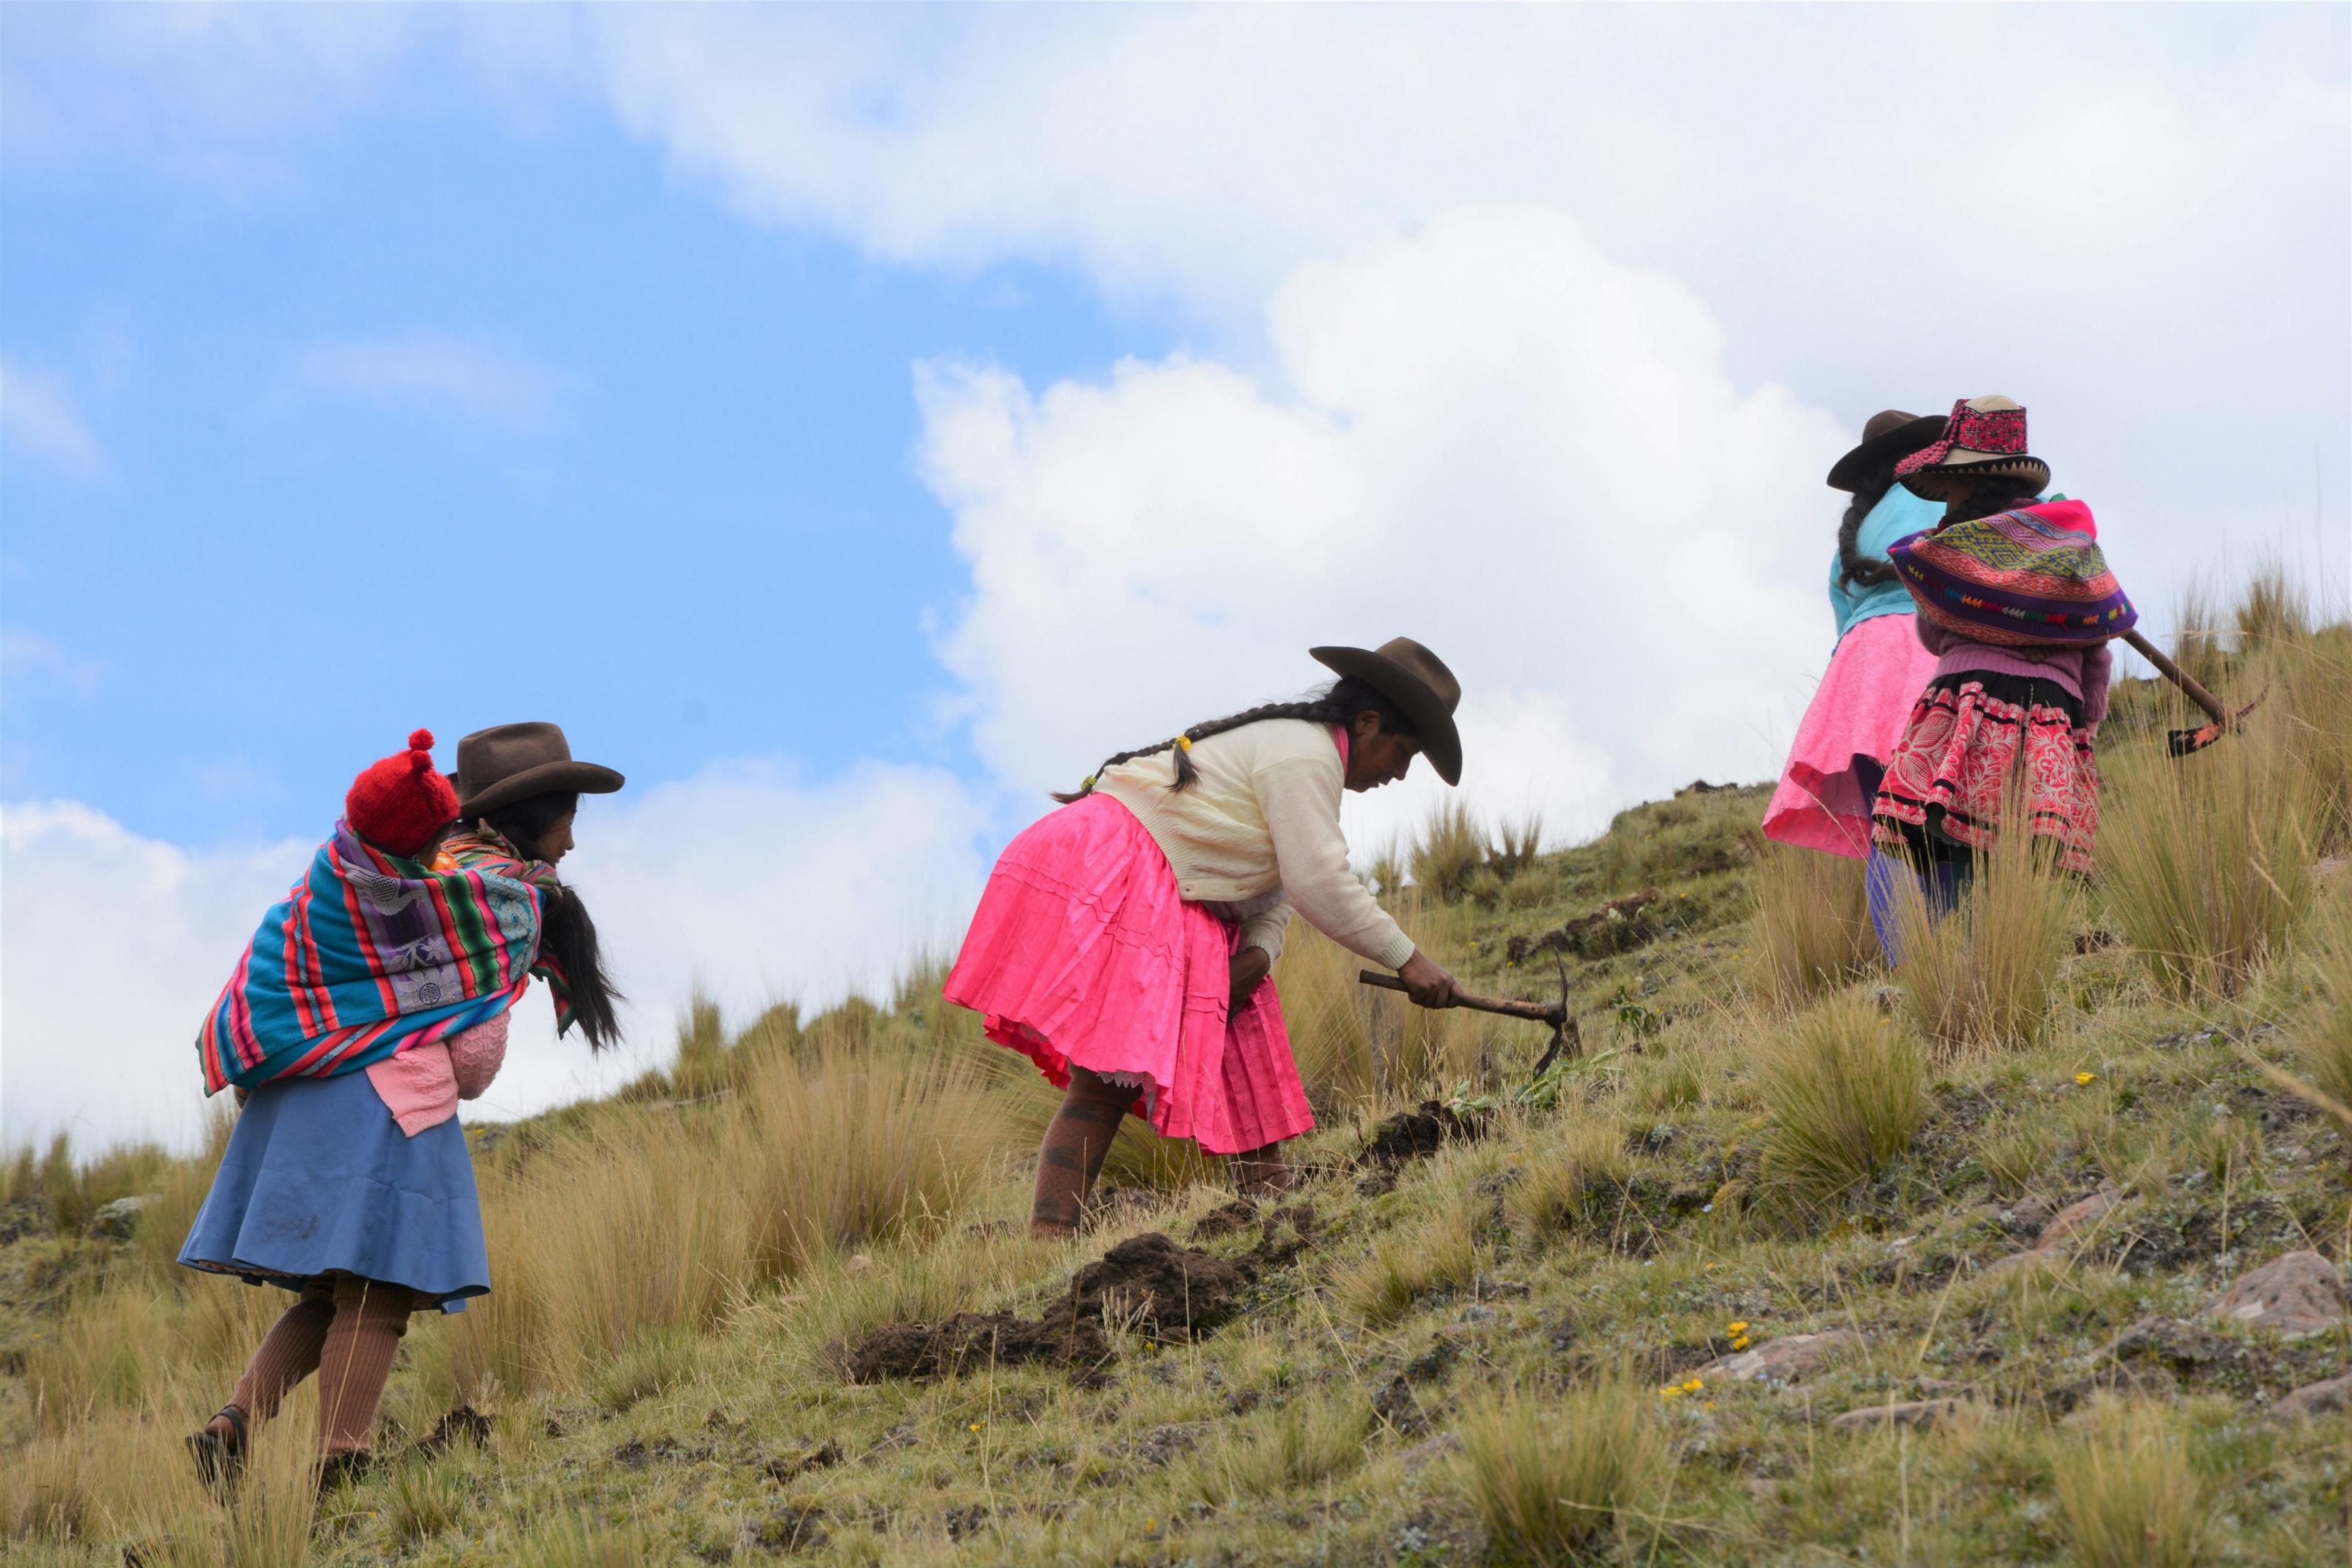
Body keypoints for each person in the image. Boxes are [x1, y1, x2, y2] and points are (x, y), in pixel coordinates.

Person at [181, 723, 622, 1494]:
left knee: (327, 1292)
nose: (574, 842)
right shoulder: (498, 907)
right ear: (531, 819)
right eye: (570, 820)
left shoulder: (369, 874)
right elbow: (474, 1065)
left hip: (297, 1099)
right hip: (392, 1110)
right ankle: (341, 1460)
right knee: (380, 1291)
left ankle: (235, 1421)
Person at [944, 638, 1468, 1237]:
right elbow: (1318, 879)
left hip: (1171, 889)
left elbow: (1271, 884)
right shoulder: (1304, 755)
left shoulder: (1301, 757)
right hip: (1122, 869)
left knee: (1245, 1021)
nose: (1399, 774)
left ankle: (1274, 1211)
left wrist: (1258, 957)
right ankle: (1049, 1237)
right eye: (1402, 753)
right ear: (1368, 724)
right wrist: (1409, 959)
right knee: (1105, 1075)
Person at [1868, 396, 2135, 944]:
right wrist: (2086, 718)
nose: (1947, 496)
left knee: (1961, 841)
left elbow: (1931, 632)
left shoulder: (1949, 551)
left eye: (1951, 484)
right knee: (2030, 851)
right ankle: (2024, 955)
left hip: (1967, 703)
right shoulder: (2071, 546)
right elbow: (2098, 646)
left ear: (1969, 482)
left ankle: (1973, 963)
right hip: (2052, 717)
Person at [1762, 408, 1950, 859]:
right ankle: (1954, 925)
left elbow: (1843, 618)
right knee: (1943, 819)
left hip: (1859, 674)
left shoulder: (1855, 534)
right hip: (1930, 648)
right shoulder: (1948, 504)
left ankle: (1899, 932)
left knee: (1884, 830)